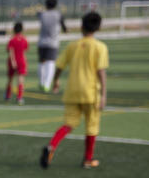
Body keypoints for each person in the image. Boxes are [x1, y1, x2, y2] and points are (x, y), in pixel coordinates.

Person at [40, 11, 109, 169]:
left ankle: (51, 147)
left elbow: (59, 65)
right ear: (98, 28)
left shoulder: (73, 46)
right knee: (92, 126)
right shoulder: (100, 47)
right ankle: (87, 160)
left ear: (81, 26)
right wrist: (104, 94)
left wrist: (56, 80)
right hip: (91, 93)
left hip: (72, 92)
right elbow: (101, 72)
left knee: (68, 124)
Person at [37, 0, 67, 92]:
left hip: (42, 42)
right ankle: (47, 84)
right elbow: (64, 27)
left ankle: (41, 82)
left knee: (41, 62)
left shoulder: (42, 14)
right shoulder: (58, 15)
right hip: (53, 43)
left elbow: (38, 14)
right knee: (51, 62)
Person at [6, 21, 28, 105]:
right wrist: (25, 61)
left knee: (10, 79)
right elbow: (24, 52)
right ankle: (19, 97)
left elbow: (10, 51)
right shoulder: (24, 40)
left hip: (13, 61)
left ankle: (8, 96)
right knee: (20, 80)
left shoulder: (12, 40)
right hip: (21, 61)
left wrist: (12, 61)